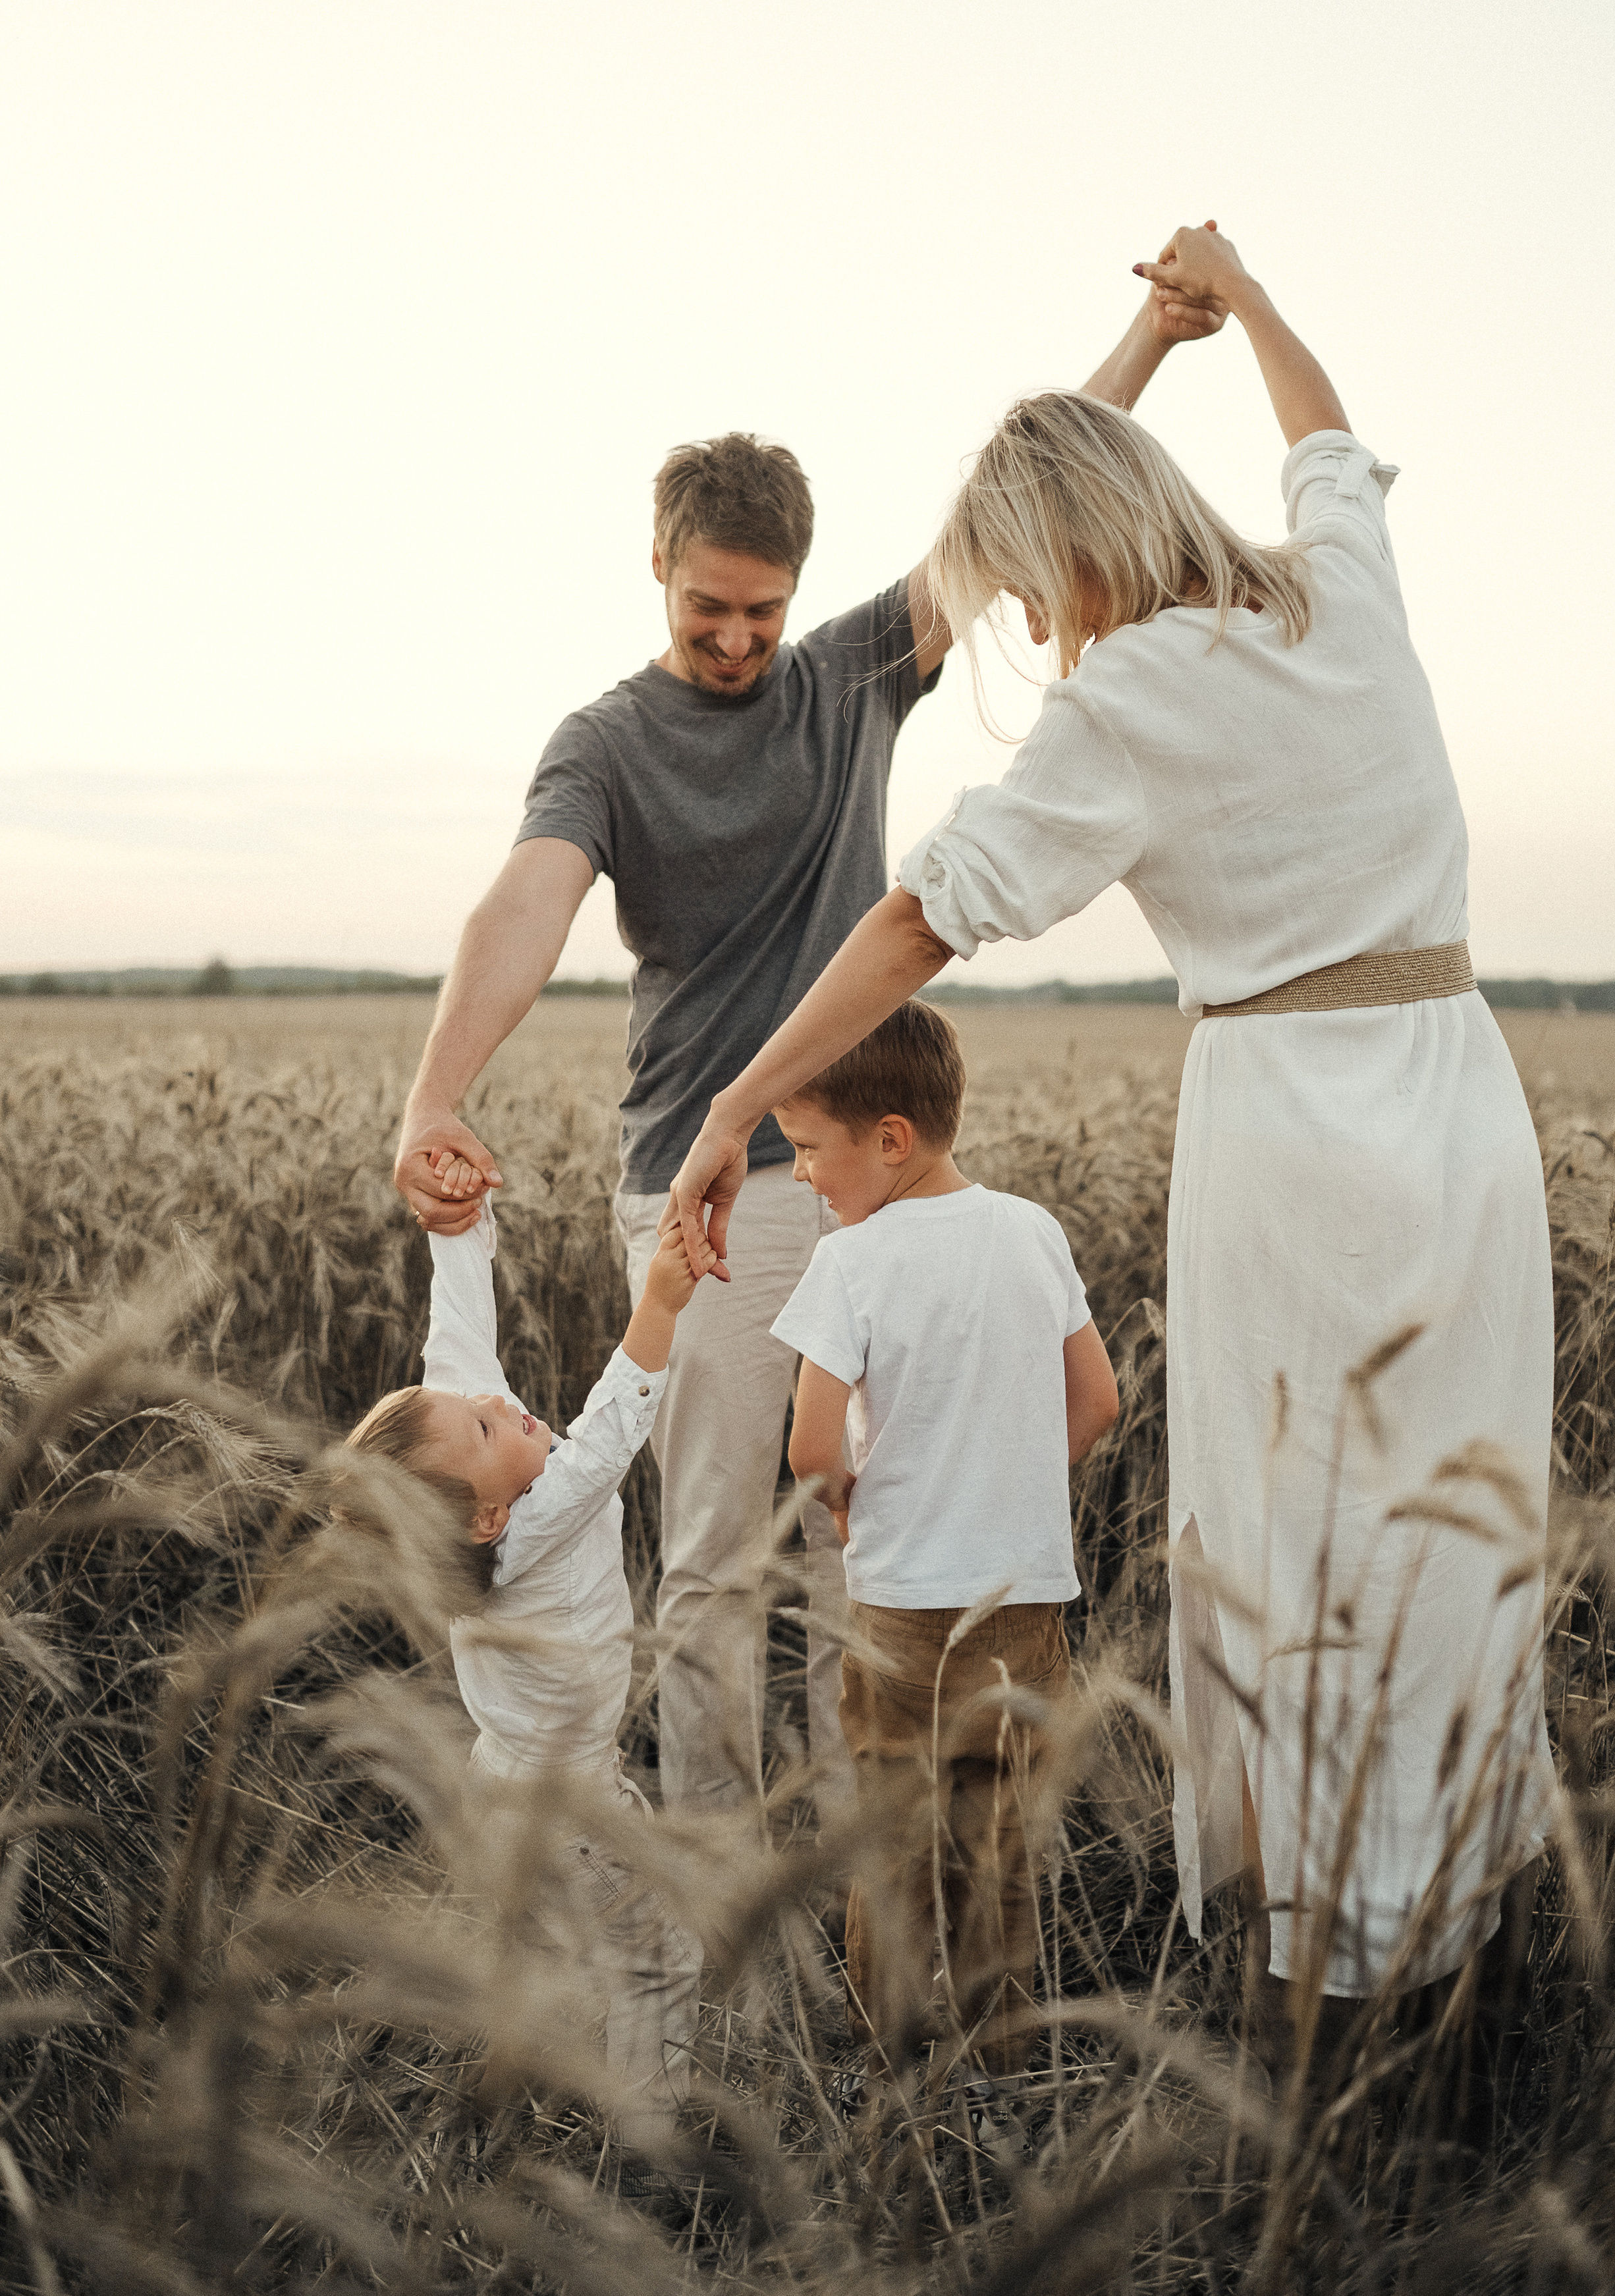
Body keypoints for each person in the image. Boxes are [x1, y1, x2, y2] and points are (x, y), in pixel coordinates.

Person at [669, 223, 1555, 2012]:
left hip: (1293, 1142)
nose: (1035, 630)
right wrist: (1247, 300)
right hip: (1468, 1113)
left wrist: (738, 1102)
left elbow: (917, 921)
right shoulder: (1337, 585)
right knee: (1466, 1535)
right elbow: (1326, 433)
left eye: (1027, 593)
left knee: (1296, 1537)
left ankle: (1326, 1972)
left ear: (1064, 554)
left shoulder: (1125, 700)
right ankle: (1473, 1926)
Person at [391, 279, 1218, 1824]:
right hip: (708, 1199)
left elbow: (1019, 502)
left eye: (761, 610)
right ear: (656, 567)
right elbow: (526, 903)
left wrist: (1154, 342)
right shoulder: (604, 745)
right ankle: (716, 1880)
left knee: (888, 1527)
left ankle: (882, 1865)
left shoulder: (845, 674)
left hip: (875, 1176)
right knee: (711, 1559)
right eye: (705, 606)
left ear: (799, 592)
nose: (733, 636)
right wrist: (437, 1092)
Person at [767, 1001, 1119, 2095]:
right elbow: (1098, 1401)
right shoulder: (1033, 1231)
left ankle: (894, 2068)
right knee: (1001, 1841)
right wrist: (1008, 1479)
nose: (802, 1179)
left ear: (888, 1139)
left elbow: (812, 1445)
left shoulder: (851, 1262)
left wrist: (839, 1506)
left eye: (809, 1151)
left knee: (893, 1841)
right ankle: (1001, 2064)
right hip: (1023, 1604)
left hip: (905, 1610)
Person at [348, 1171, 711, 2131]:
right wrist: (660, 1304)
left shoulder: (479, 1497)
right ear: (489, 1519)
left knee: (555, 1951)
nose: (500, 1406)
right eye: (484, 1424)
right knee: (660, 1950)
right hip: (572, 1800)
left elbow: (459, 1338)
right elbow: (607, 1435)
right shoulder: (532, 1524)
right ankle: (650, 2127)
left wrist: (458, 1230)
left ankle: (532, 2092)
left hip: (504, 1784)